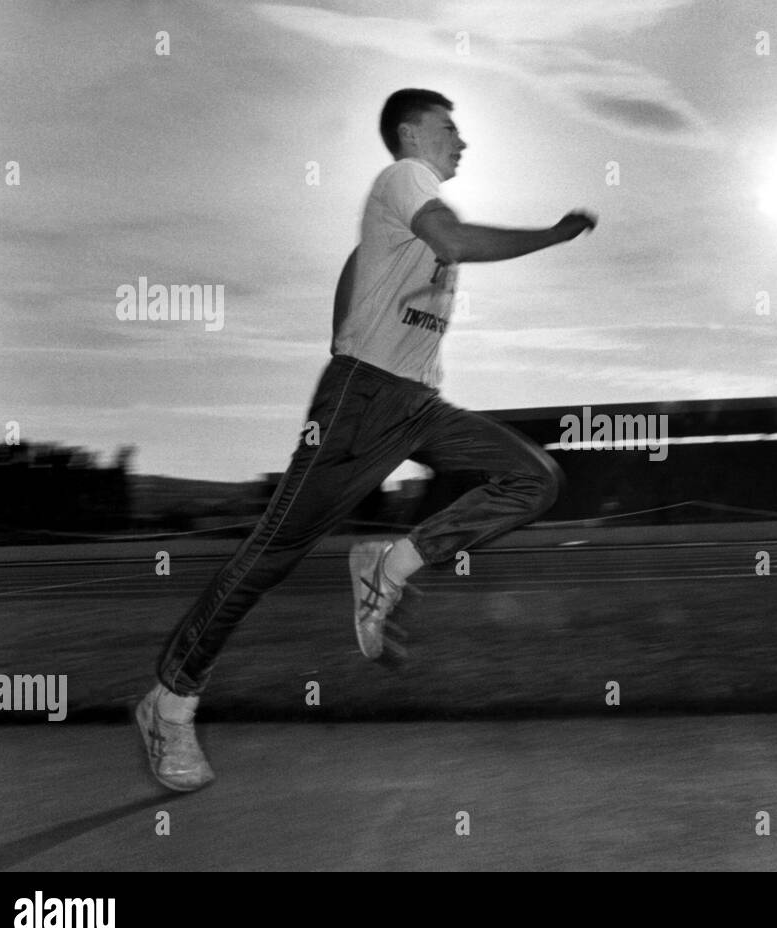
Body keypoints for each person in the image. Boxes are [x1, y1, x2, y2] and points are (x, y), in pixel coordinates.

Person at [135, 88, 597, 792]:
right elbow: (452, 240)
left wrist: (346, 328)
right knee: (271, 554)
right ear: (411, 133)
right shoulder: (405, 178)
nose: (462, 141)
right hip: (362, 399)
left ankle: (391, 563)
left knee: (532, 476)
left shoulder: (398, 206)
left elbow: (359, 265)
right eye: (450, 128)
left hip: (415, 402)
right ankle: (169, 701)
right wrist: (553, 234)